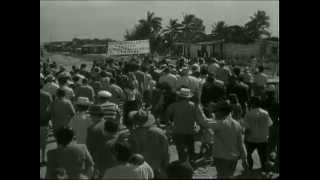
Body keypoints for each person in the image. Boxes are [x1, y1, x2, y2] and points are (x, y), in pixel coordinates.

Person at [197, 100, 248, 179]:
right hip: (234, 158)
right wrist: (244, 159)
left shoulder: (221, 124)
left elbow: (204, 122)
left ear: (222, 112)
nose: (215, 113)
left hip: (221, 158)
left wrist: (198, 107)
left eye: (216, 111)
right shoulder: (237, 124)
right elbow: (241, 143)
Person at [128, 110, 170, 178]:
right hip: (157, 166)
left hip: (140, 168)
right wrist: (165, 164)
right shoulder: (159, 132)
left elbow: (131, 152)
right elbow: (166, 150)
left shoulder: (133, 134)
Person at [165, 88, 200, 163]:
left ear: (179, 96)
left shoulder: (174, 105)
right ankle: (191, 161)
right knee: (190, 146)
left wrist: (169, 122)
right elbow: (197, 118)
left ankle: (182, 161)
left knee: (180, 148)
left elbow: (167, 113)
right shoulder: (193, 105)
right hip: (190, 130)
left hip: (178, 130)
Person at [243, 96, 273, 174]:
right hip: (263, 139)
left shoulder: (248, 114)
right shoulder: (266, 113)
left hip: (251, 139)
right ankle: (264, 170)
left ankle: (250, 167)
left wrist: (245, 138)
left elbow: (247, 129)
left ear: (252, 103)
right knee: (263, 156)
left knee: (249, 154)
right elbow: (270, 124)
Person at [86, 105, 108, 177]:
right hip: (109, 158)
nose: (90, 116)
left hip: (97, 159)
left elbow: (89, 147)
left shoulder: (92, 129)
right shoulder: (109, 124)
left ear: (94, 115)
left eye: (91, 114)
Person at [40, 79, 53, 164]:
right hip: (44, 121)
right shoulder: (47, 95)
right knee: (44, 142)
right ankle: (43, 158)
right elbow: (51, 107)